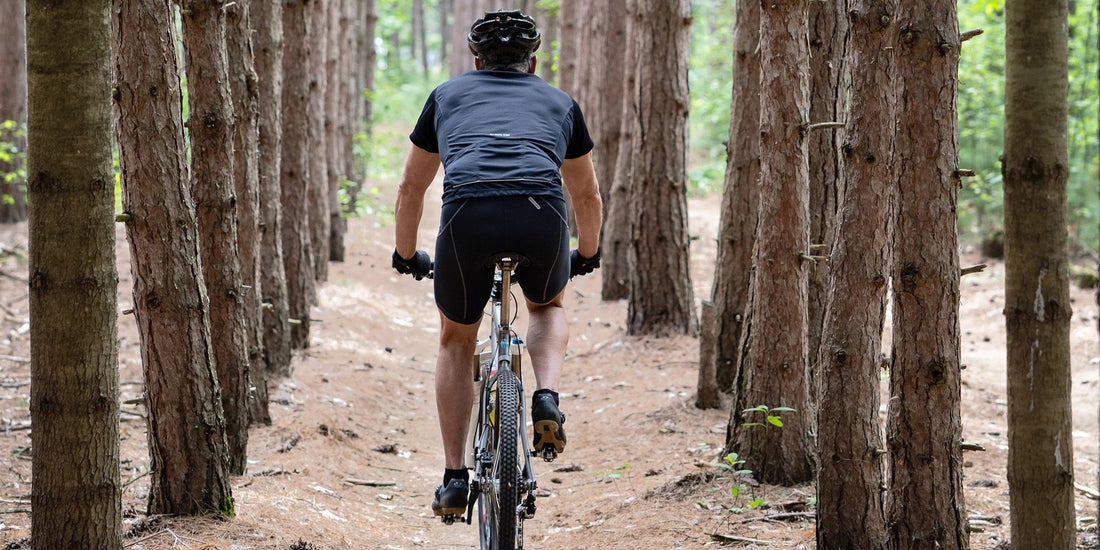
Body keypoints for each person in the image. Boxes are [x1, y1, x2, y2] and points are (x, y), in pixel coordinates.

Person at [390, 10, 603, 519]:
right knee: (547, 306)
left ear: (476, 59)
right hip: (540, 213)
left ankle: (453, 477)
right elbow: (586, 194)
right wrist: (589, 253)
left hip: (469, 215)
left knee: (456, 337)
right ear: (532, 63)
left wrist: (405, 254)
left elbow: (410, 189)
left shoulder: (446, 96)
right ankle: (546, 397)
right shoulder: (560, 102)